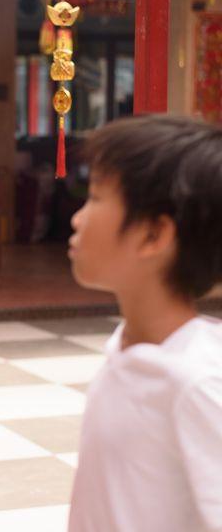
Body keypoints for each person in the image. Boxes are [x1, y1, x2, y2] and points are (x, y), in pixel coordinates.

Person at [68, 115, 222, 531]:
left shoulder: (197, 383)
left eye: (96, 198)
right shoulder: (126, 349)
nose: (77, 219)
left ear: (153, 236)